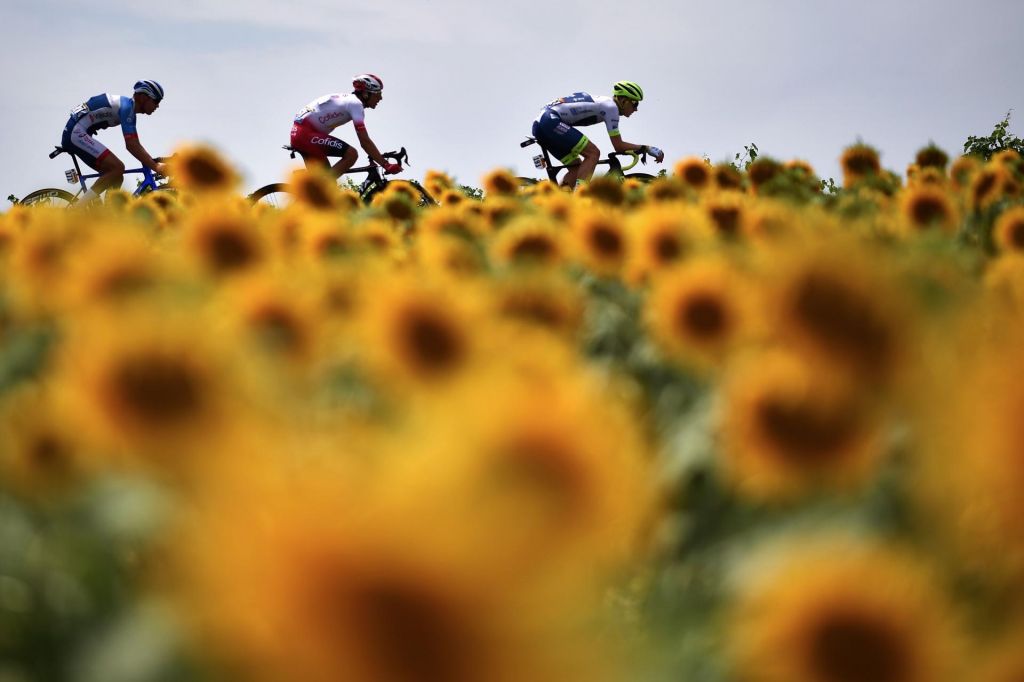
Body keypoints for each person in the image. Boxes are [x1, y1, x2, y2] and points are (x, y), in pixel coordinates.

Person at [532, 81, 664, 189]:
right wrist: (647, 148)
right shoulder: (611, 107)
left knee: (577, 168)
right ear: (623, 100)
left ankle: (557, 202)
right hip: (550, 120)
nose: (636, 109)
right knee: (593, 153)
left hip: (541, 124)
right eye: (635, 103)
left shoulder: (606, 104)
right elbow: (618, 146)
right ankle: (581, 196)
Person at [62, 80, 167, 203]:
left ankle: (109, 214)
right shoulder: (127, 108)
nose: (157, 106)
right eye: (156, 101)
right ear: (144, 97)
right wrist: (156, 166)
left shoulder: (127, 107)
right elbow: (132, 145)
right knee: (117, 168)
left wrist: (152, 162)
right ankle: (78, 208)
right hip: (76, 133)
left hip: (76, 132)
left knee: (117, 177)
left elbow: (135, 144)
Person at [290, 74, 403, 178]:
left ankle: (313, 193)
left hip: (300, 134)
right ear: (366, 94)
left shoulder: (347, 99)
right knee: (351, 154)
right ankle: (322, 189)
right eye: (378, 94)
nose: (380, 98)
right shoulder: (356, 104)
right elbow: (364, 142)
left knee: (326, 185)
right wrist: (385, 164)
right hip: (306, 136)